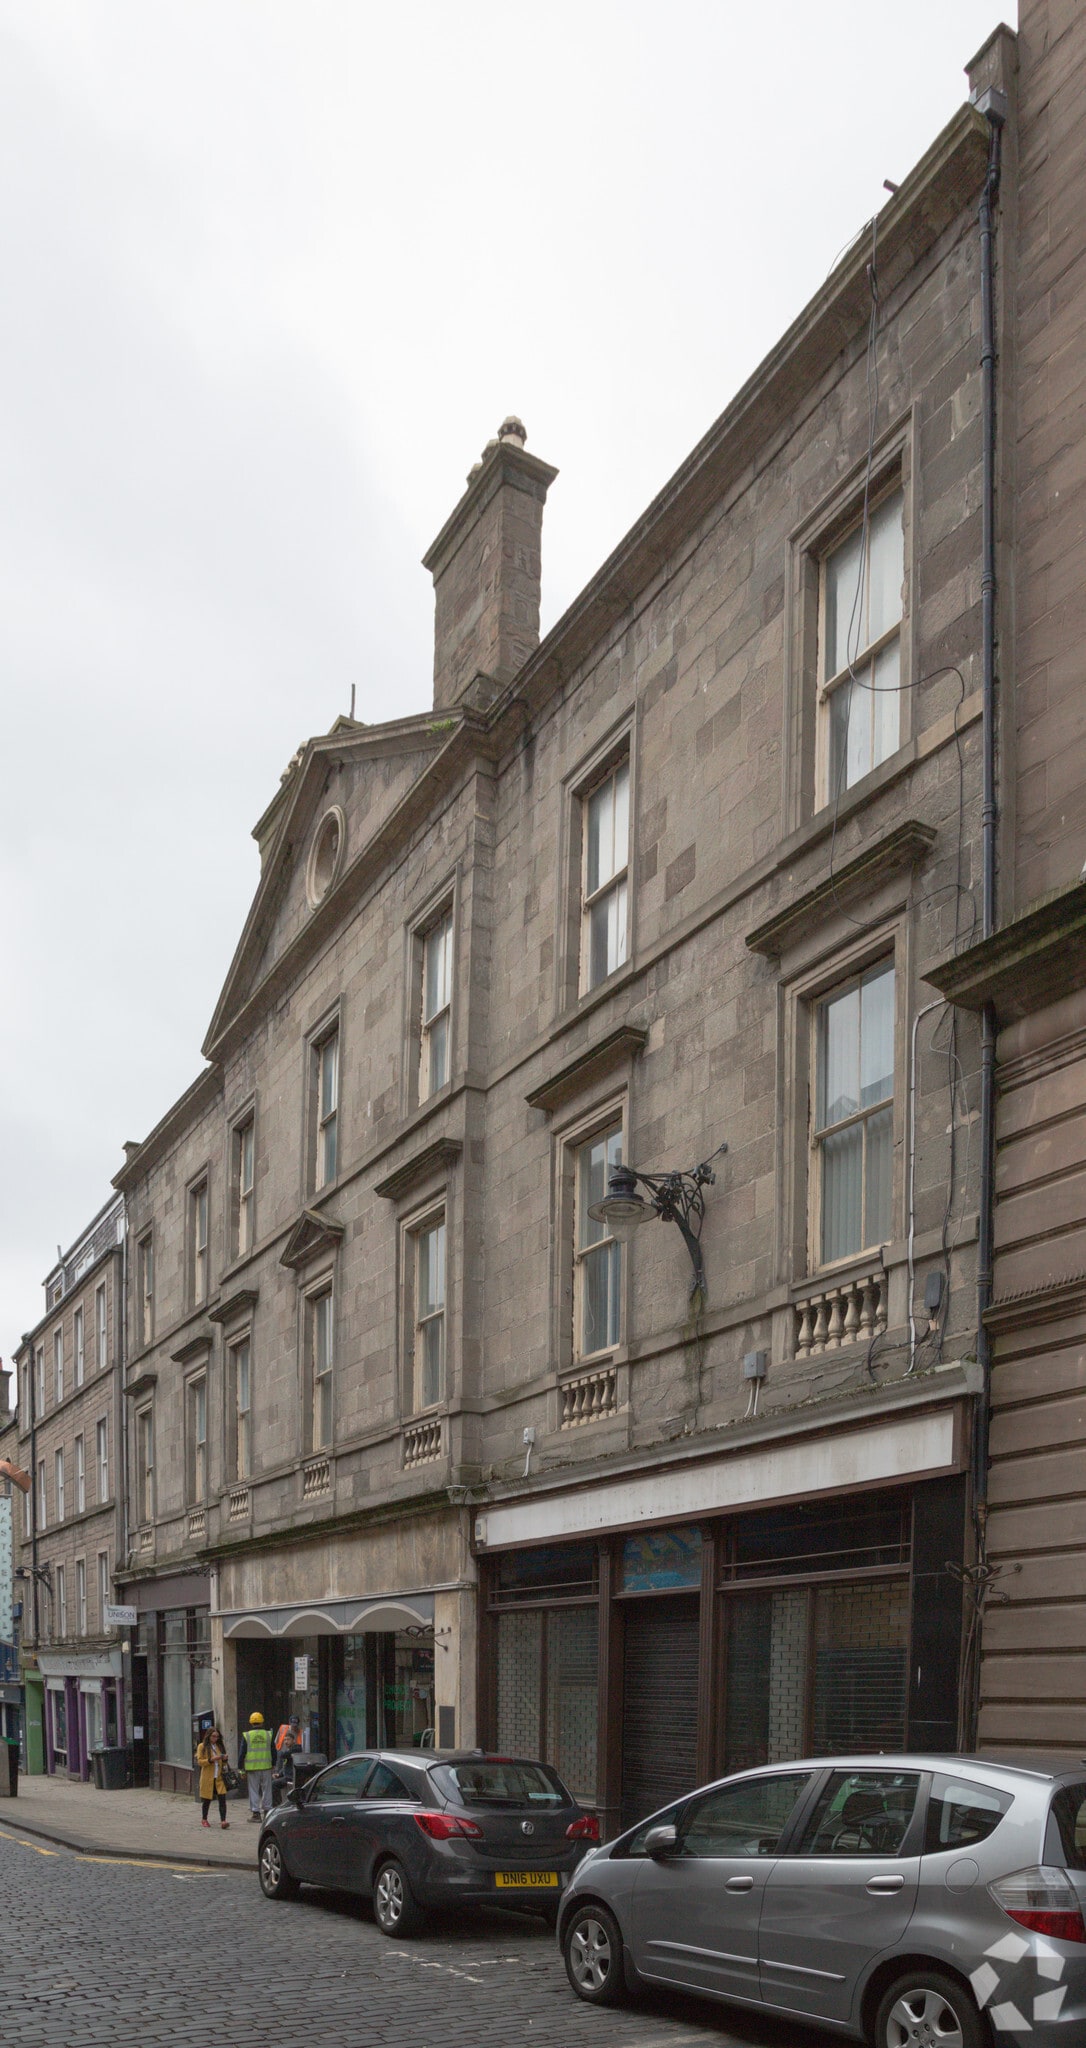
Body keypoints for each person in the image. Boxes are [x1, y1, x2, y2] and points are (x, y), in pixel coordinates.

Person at [238, 1710, 274, 1822]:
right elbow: (274, 1751)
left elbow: (242, 1753)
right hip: (267, 1767)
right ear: (262, 1722)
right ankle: (267, 1813)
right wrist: (273, 1764)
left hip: (252, 1768)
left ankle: (256, 1814)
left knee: (253, 1790)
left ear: (251, 1723)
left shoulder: (247, 1735)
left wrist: (240, 1768)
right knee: (267, 1789)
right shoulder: (268, 1734)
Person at [195, 1723, 231, 1830]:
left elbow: (223, 1764)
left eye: (217, 1736)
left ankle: (223, 1820)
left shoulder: (219, 1746)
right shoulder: (202, 1746)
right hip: (208, 1777)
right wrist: (211, 1760)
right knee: (207, 1800)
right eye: (213, 1736)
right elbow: (200, 1762)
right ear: (208, 1736)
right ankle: (204, 1819)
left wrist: (224, 1759)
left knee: (222, 1799)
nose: (215, 1738)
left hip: (219, 1777)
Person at [274, 1714, 304, 1788]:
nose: (294, 1727)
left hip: (291, 1757)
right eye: (292, 1725)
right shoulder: (283, 1729)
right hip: (282, 1756)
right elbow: (276, 1742)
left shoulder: (300, 1733)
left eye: (295, 1725)